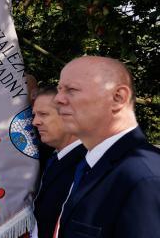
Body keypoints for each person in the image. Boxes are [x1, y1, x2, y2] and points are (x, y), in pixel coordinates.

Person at [54, 56, 160, 237]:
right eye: (59, 89)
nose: (58, 99)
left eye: (71, 90)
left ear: (118, 98)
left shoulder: (144, 178)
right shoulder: (88, 166)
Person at [32, 87, 86, 238]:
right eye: (34, 115)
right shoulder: (54, 158)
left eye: (43, 114)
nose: (35, 122)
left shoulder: (88, 164)